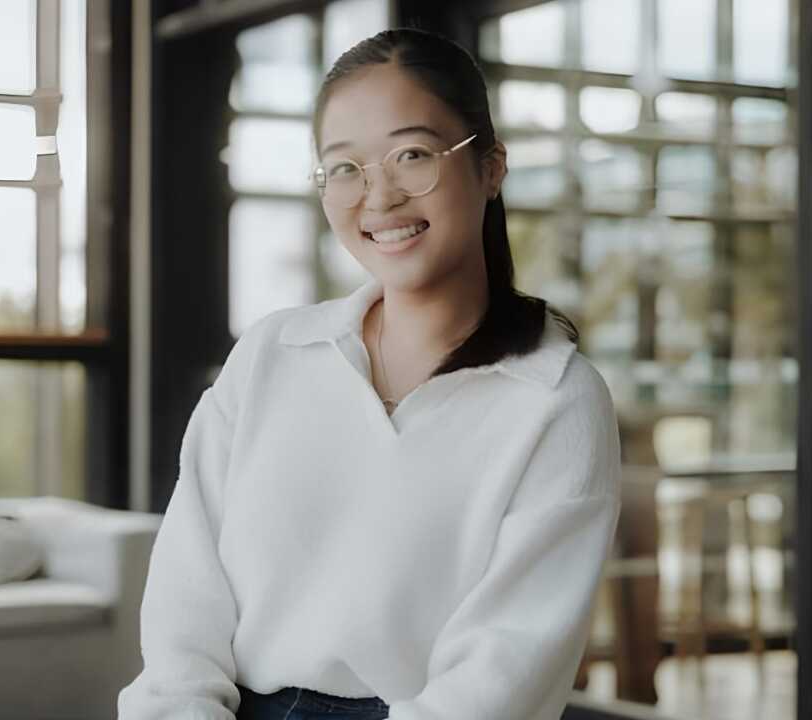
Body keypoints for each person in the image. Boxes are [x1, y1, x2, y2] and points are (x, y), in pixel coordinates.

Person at [117, 27, 622, 720]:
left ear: (492, 166)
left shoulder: (554, 398)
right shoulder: (272, 354)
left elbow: (502, 673)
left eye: (412, 154)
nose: (377, 196)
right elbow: (183, 605)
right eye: (345, 167)